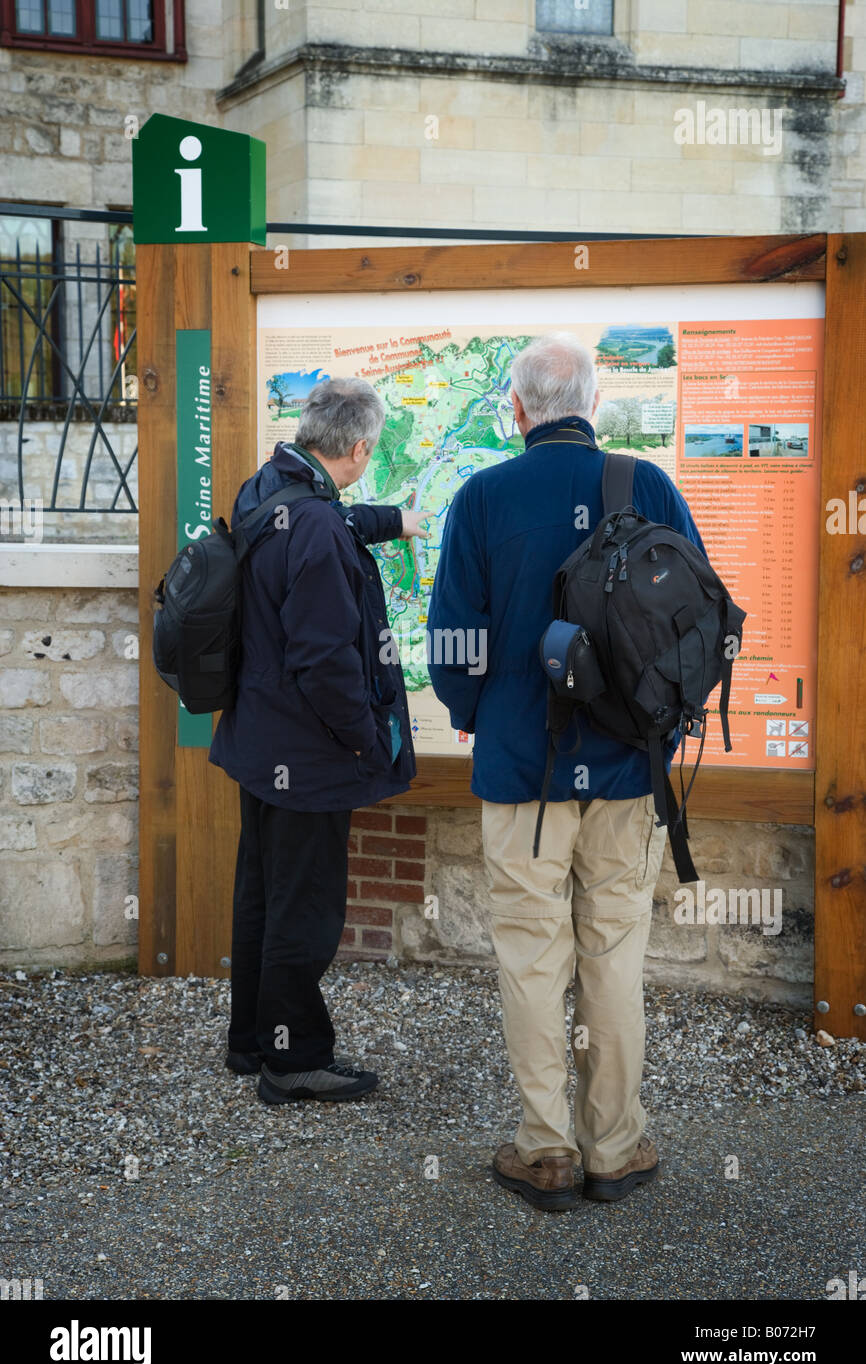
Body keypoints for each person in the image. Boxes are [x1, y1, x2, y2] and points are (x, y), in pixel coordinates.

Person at [427, 333, 708, 1211]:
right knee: (616, 955)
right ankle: (615, 1149)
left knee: (531, 956)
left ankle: (545, 1150)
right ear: (595, 404)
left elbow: (452, 642)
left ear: (518, 410)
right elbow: (697, 622)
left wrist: (478, 713)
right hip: (627, 769)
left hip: (523, 773)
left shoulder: (481, 497)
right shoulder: (647, 485)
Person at [209, 377, 429, 1106]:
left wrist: (390, 520)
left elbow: (315, 524)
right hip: (307, 758)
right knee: (305, 909)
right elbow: (327, 662)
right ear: (360, 448)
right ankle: (294, 1059)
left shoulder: (265, 487)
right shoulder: (316, 528)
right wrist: (366, 741)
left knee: (263, 895)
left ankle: (251, 1042)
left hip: (259, 746)